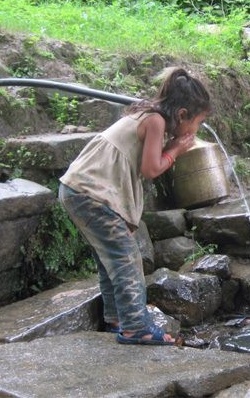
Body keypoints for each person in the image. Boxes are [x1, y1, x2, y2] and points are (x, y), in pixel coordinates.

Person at [58, 67, 211, 344]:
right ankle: (135, 327)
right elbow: (151, 169)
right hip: (90, 193)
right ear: (182, 115)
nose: (195, 130)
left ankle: (117, 318)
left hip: (77, 189)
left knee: (110, 259)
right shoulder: (155, 121)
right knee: (126, 257)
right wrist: (176, 149)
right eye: (197, 123)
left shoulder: (144, 113)